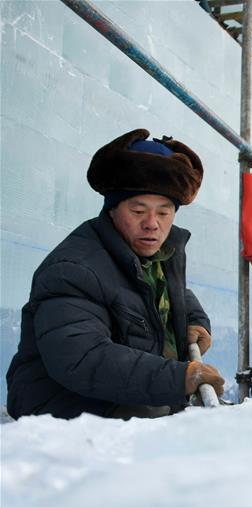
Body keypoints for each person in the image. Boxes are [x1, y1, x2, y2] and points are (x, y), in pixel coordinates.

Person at [5, 129, 224, 420]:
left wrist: (196, 321)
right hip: (61, 408)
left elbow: (174, 293)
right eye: (138, 210)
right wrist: (178, 377)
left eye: (163, 212)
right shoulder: (72, 269)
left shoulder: (157, 255)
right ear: (111, 210)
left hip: (119, 396)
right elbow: (82, 358)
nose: (152, 224)